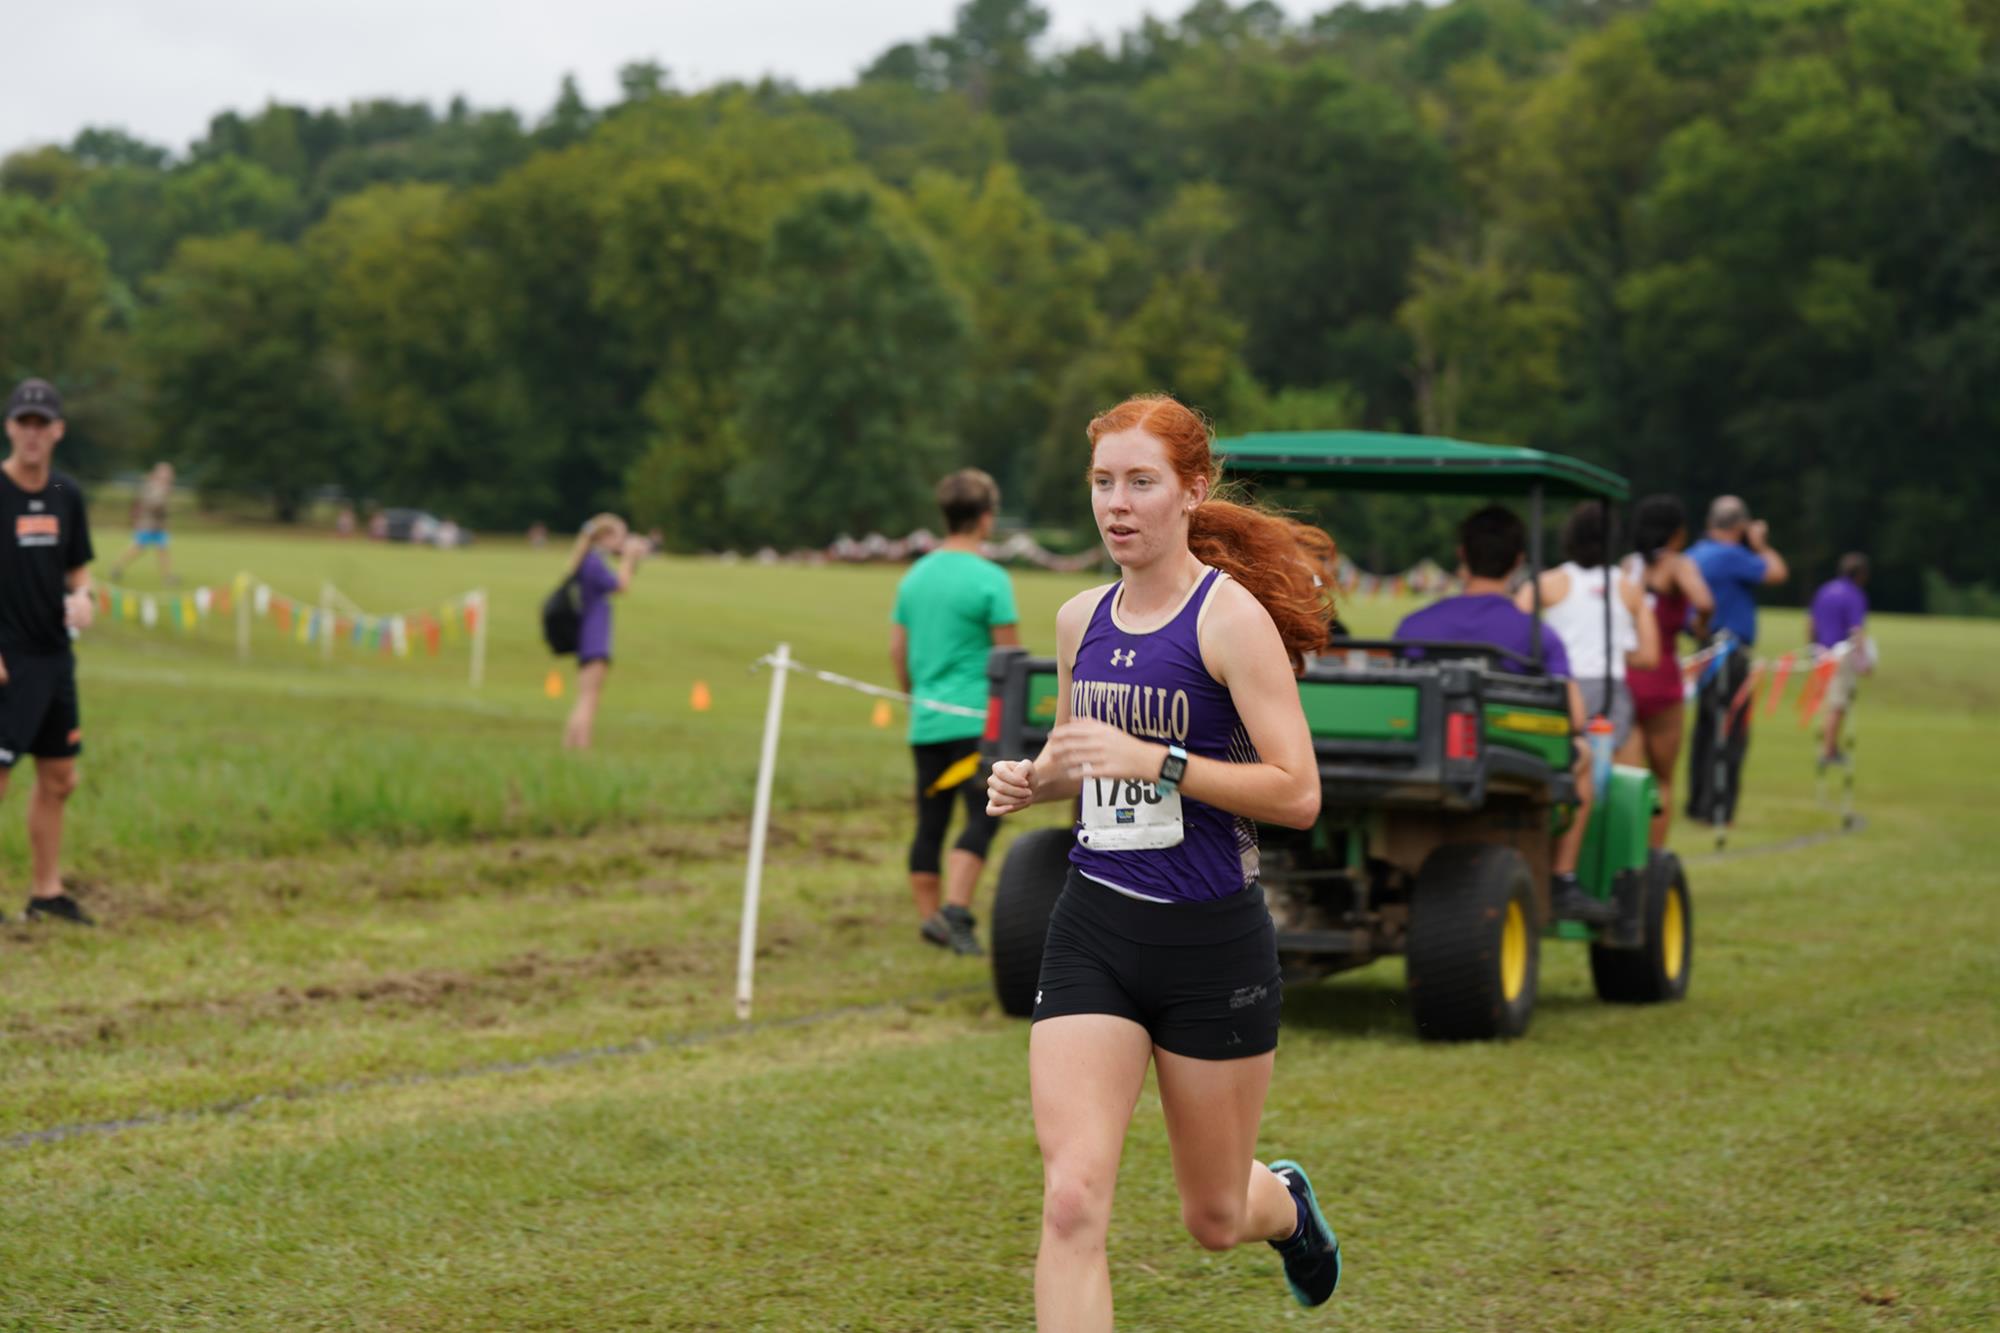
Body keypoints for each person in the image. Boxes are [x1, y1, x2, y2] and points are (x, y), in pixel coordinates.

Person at [986, 395, 1341, 1329]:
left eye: (1140, 481)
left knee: (1216, 1216)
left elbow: (1298, 792)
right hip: (1095, 925)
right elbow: (1081, 757)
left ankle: (1288, 1205)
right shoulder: (1078, 618)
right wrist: (1033, 780)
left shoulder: (1230, 623)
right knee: (1070, 1199)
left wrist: (1163, 761)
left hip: (1210, 947)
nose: (1118, 503)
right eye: (1103, 482)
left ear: (1191, 490)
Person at [1396, 505, 1611, 924]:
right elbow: (1575, 717)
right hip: (1509, 757)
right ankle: (1562, 878)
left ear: (1462, 555)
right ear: (1518, 562)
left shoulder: (1414, 624)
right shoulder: (1536, 634)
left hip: (1420, 752)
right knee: (1582, 753)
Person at [889, 469, 1020, 956]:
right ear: (986, 519)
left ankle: (931, 920)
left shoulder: (914, 576)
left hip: (926, 722)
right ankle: (956, 910)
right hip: (976, 724)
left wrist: (914, 697)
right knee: (984, 815)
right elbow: (1010, 660)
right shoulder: (991, 578)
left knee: (930, 820)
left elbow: (898, 652)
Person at [0, 379, 97, 926]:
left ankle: (46, 893)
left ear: (58, 430)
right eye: (24, 423)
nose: (33, 434)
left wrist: (82, 596)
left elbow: (77, 566)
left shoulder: (67, 495)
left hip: (54, 658)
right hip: (6, 659)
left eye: (43, 424)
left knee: (60, 777)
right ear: (10, 427)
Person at [1515, 500, 1659, 752]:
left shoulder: (1547, 583)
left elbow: (1516, 629)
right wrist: (1609, 649)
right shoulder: (1630, 589)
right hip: (1609, 691)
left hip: (1559, 686)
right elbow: (1649, 656)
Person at [1683, 497, 1788, 827]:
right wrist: (1760, 544)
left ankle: (1697, 802)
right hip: (1730, 654)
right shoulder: (1732, 555)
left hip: (1702, 651)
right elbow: (1777, 572)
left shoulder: (1693, 554)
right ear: (1739, 527)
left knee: (1704, 728)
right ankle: (1719, 807)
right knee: (1729, 731)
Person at [1617, 495, 1714, 849]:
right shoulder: (1677, 564)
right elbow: (1704, 601)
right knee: (1662, 781)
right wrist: (1700, 626)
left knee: (1626, 777)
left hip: (1626, 675)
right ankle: (1654, 860)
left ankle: (1623, 854)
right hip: (1662, 678)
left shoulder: (1628, 565)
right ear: (1675, 533)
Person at [560, 514, 645, 750]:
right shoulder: (594, 562)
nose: (622, 541)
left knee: (585, 695)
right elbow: (621, 586)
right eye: (620, 536)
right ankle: (581, 748)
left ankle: (569, 746)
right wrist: (628, 558)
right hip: (595, 634)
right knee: (590, 697)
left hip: (588, 632)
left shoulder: (587, 560)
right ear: (604, 537)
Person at [1809, 552, 1870, 769]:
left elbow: (1811, 622)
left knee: (1829, 701)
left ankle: (1829, 746)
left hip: (1820, 652)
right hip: (1840, 654)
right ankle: (1829, 750)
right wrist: (1864, 660)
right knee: (1838, 703)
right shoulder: (1854, 595)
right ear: (1860, 574)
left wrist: (1812, 648)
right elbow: (1856, 631)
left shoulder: (1824, 590)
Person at [108, 462, 175, 584]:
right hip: (147, 525)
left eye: (169, 473)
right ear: (158, 473)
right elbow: (151, 504)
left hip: (159, 527)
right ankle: (117, 567)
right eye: (165, 473)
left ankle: (167, 577)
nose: (168, 476)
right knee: (137, 548)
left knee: (163, 550)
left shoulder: (165, 487)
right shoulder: (151, 486)